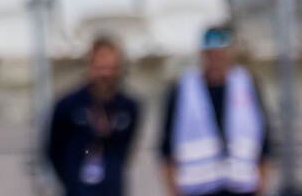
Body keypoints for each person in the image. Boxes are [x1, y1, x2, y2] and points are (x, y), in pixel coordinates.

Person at [158, 28, 268, 196]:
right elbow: (166, 145)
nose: (217, 58)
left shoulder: (247, 84)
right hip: (196, 187)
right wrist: (171, 187)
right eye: (212, 53)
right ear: (202, 54)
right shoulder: (183, 88)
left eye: (222, 52)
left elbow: (265, 139)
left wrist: (263, 180)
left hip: (242, 185)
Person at [47, 37, 141, 196]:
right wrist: (71, 180)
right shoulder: (68, 105)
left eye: (111, 68)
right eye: (101, 67)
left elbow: (126, 149)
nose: (106, 74)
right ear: (90, 67)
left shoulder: (128, 107)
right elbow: (53, 150)